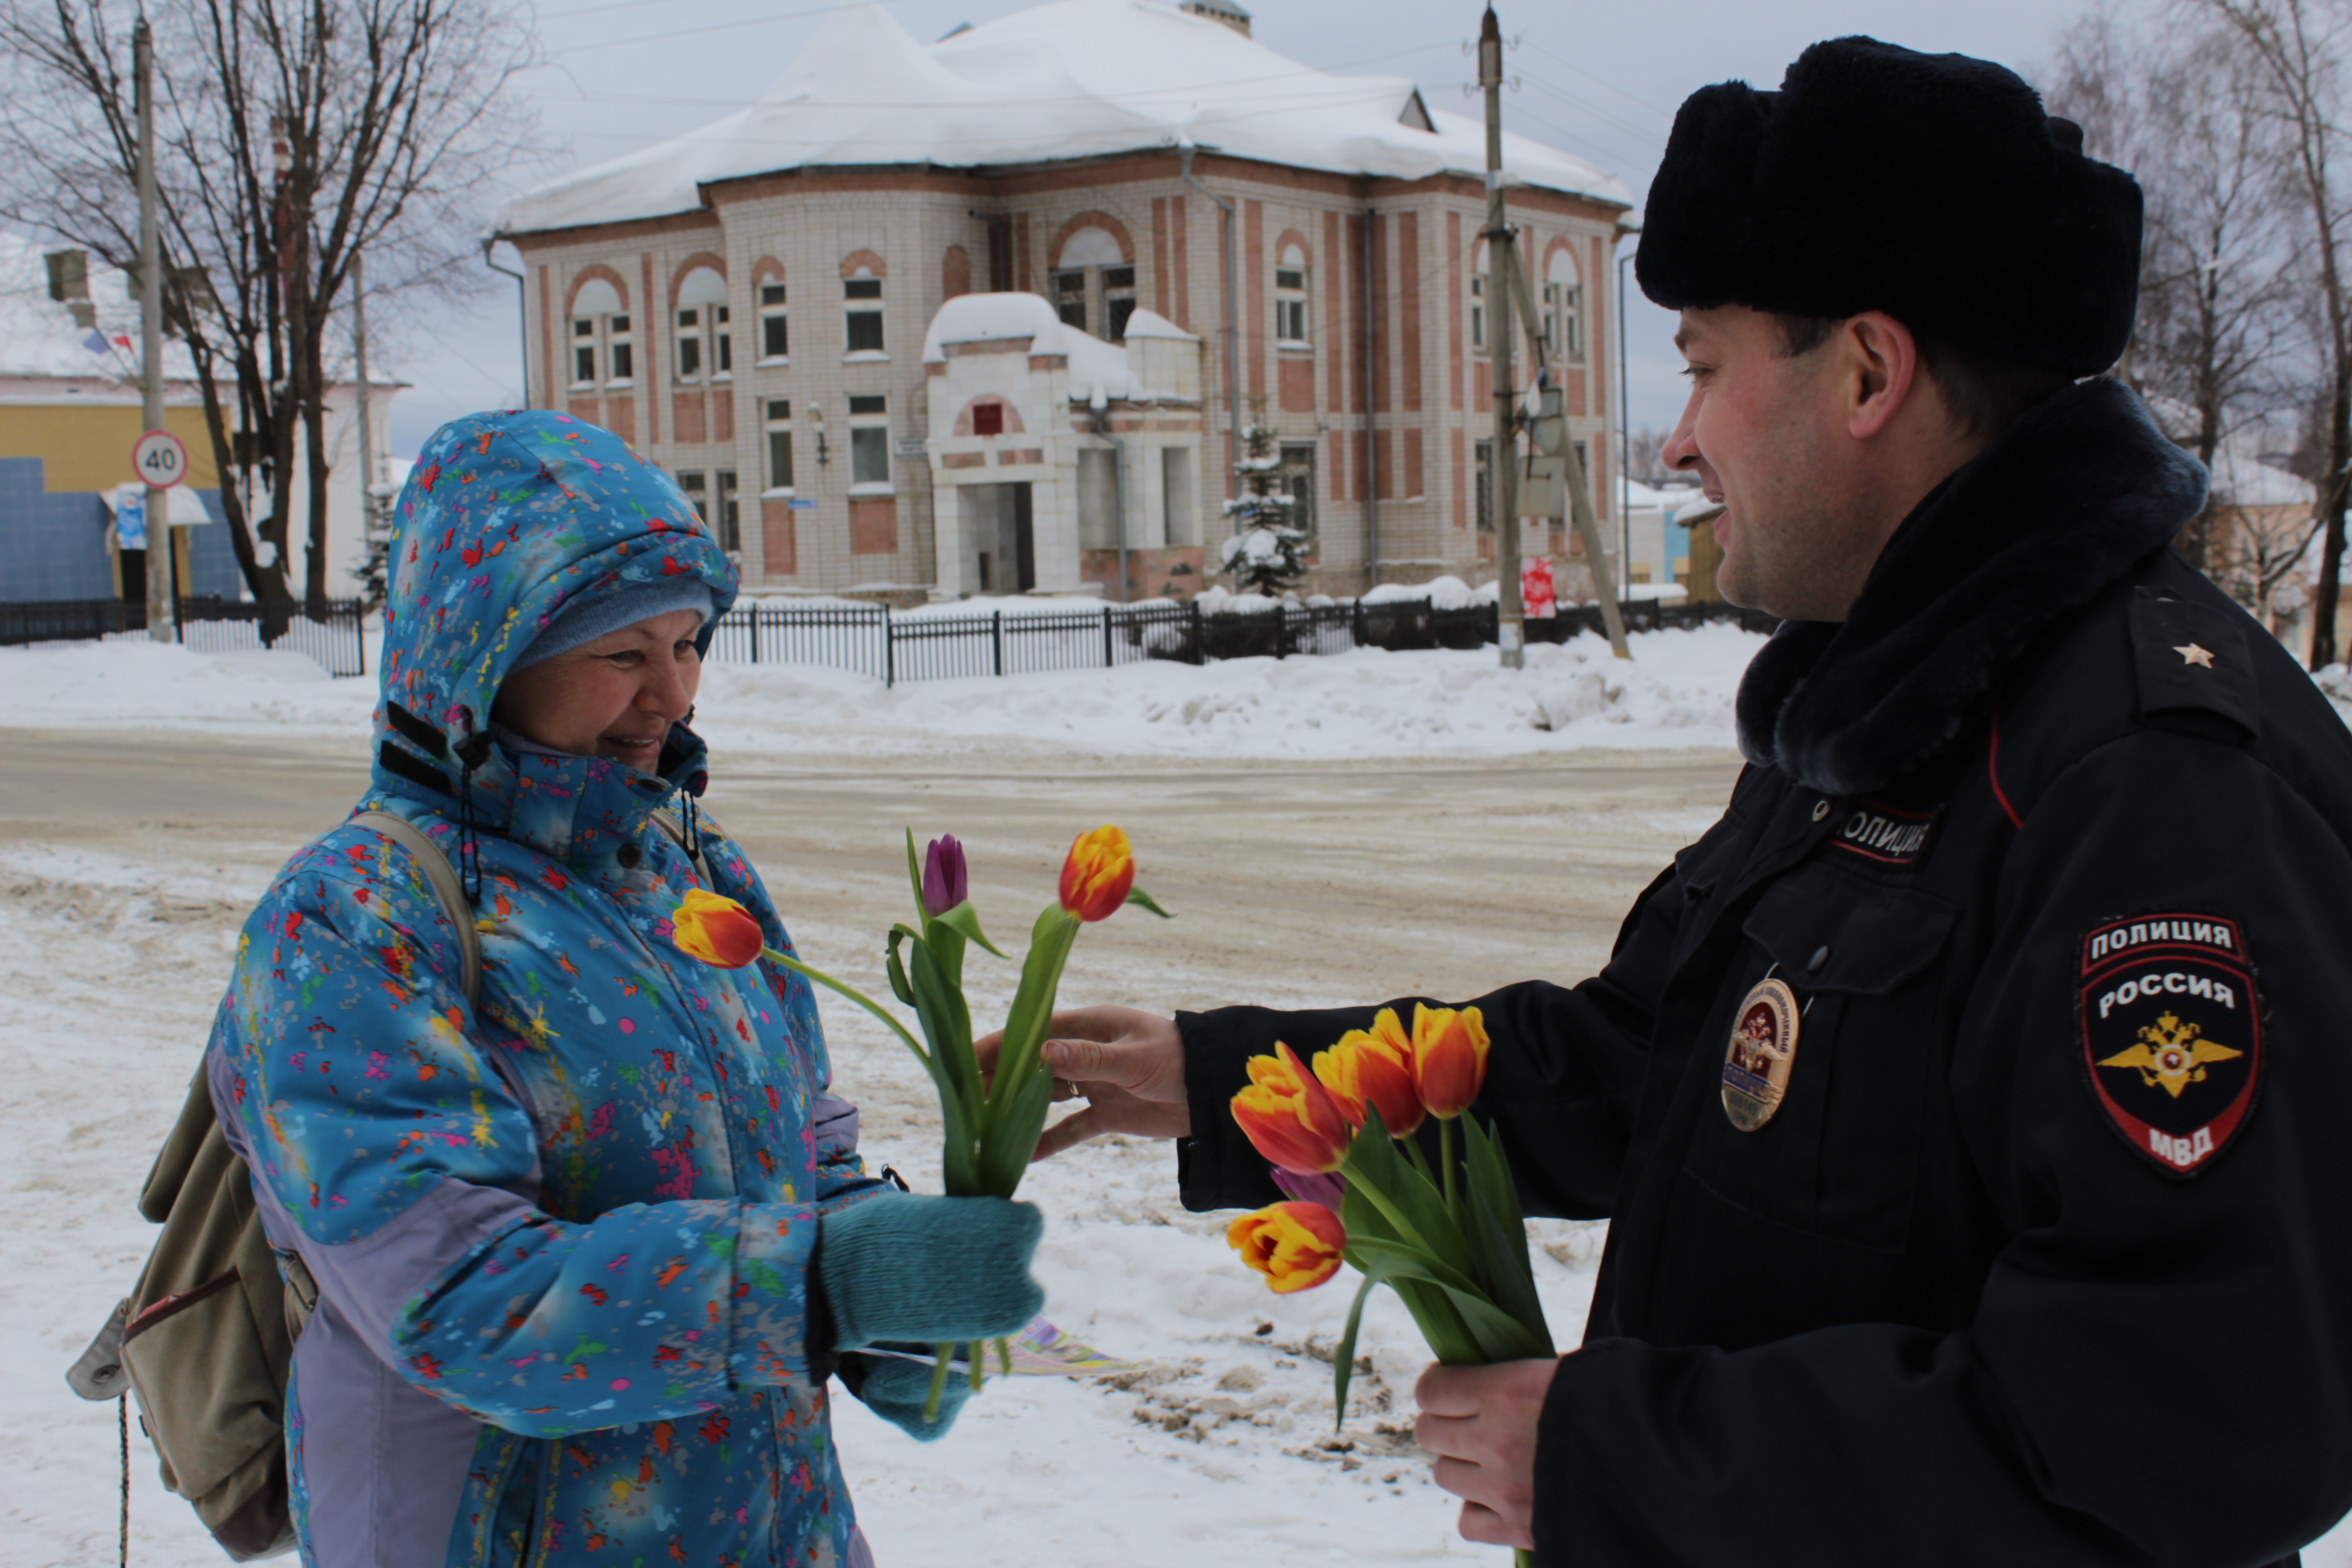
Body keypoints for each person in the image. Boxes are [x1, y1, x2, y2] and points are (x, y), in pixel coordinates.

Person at [997, 37, 2352, 1566]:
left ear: (1866, 372)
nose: (1679, 437)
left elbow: (2193, 1420)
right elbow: (1648, 1069)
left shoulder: (2146, 781)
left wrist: (1624, 1461)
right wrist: (1246, 1085)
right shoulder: (1894, 710)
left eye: (1705, 364)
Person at [208, 408, 1044, 1568]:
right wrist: (816, 1283)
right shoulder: (352, 919)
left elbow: (806, 1143)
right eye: (621, 654)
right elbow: (456, 1303)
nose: (672, 696)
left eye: (689, 643)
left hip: (771, 1527)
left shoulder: (692, 870)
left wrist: (883, 1288)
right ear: (482, 660)